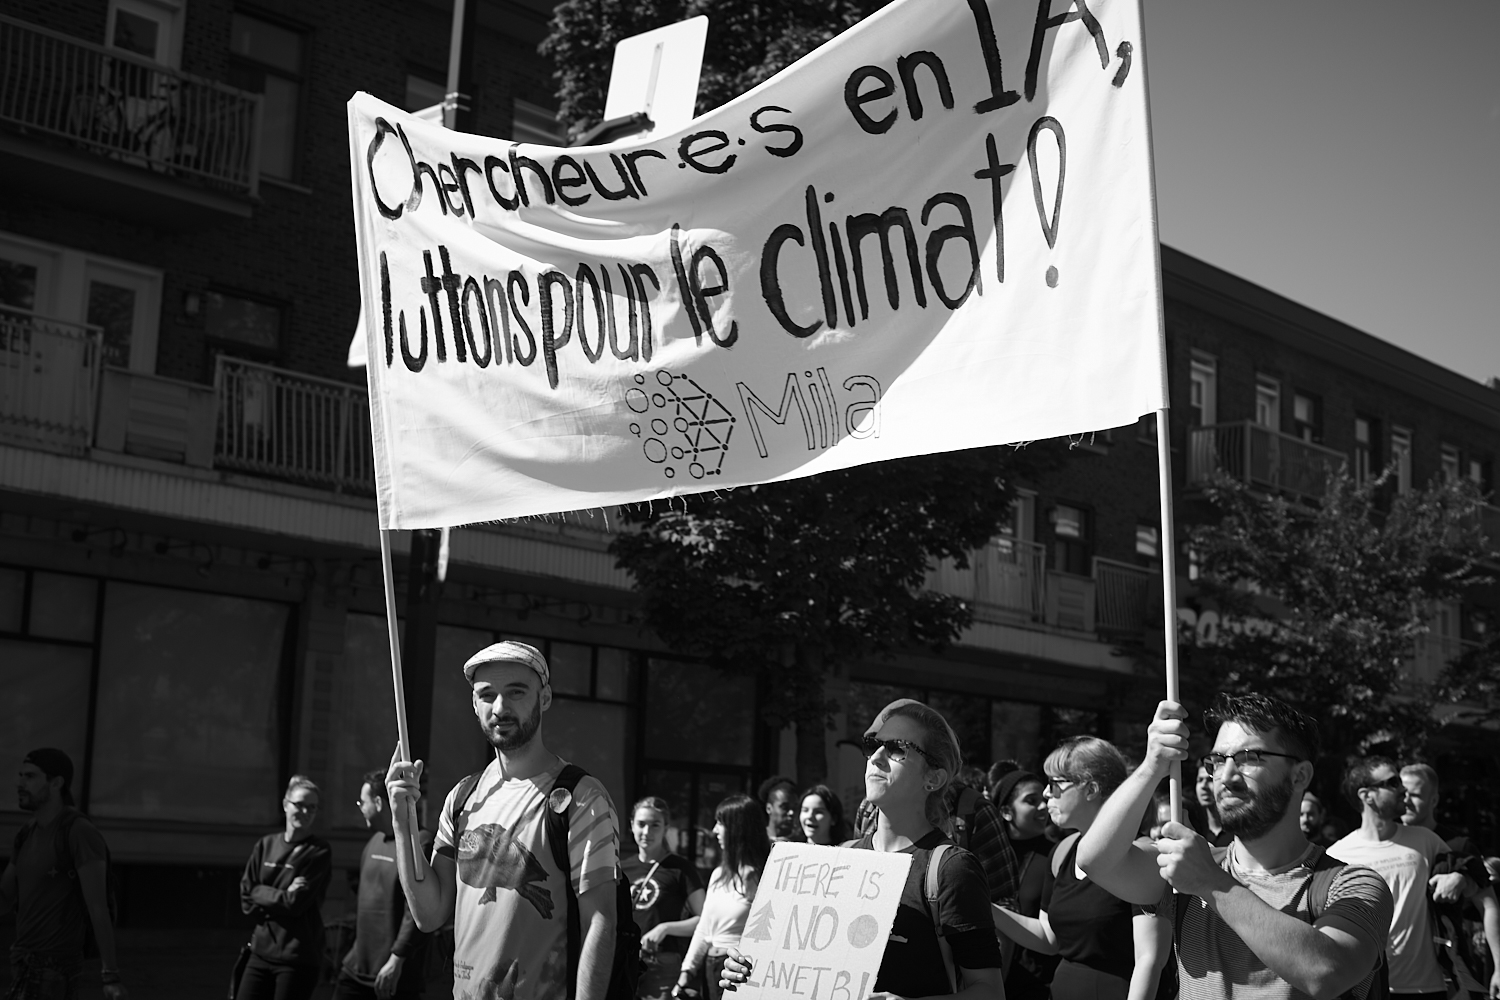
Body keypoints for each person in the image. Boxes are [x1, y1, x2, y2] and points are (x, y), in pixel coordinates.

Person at [1077, 694, 1394, 1000]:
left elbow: (1325, 973)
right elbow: (1096, 860)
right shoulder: (1189, 867)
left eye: (1249, 758)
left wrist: (1211, 883)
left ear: (1300, 776)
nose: (1226, 777)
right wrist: (1152, 766)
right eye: (1217, 760)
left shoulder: (1353, 884)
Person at [724, 698, 1005, 1000]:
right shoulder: (843, 856)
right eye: (873, 745)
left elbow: (990, 991)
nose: (877, 757)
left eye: (897, 747)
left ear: (933, 778)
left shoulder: (951, 868)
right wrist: (747, 967)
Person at [385, 640, 621, 1000]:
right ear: (474, 704)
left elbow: (601, 922)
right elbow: (430, 915)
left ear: (544, 698)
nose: (500, 707)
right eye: (487, 694)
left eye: (516, 692)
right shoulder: (462, 798)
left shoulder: (583, 797)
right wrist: (403, 823)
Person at [991, 737, 1169, 1000]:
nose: (1046, 793)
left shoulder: (1141, 856)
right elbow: (1048, 939)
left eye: (1055, 784)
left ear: (1091, 789)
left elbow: (1149, 959)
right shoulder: (1061, 852)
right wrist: (986, 908)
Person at [1329, 756, 1486, 1000]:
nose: (1402, 788)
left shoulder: (1426, 840)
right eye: (1392, 783)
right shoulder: (1338, 855)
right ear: (1367, 795)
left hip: (1428, 987)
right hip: (1368, 989)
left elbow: (1479, 882)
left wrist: (1461, 877)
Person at [0, 749, 126, 1000]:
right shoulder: (27, 832)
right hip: (23, 961)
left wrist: (110, 975)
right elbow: (4, 896)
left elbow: (98, 908)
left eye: (30, 777)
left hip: (54, 968)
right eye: (20, 776)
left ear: (56, 783)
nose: (20, 783)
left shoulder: (78, 832)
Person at [335, 769, 432, 1000]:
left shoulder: (420, 841)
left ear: (378, 802)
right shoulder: (373, 841)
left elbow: (418, 909)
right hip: (355, 968)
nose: (360, 807)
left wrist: (397, 958)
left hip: (393, 975)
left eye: (362, 801)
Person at [237, 775, 333, 1000]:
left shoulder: (318, 851)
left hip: (297, 958)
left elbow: (296, 904)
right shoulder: (266, 845)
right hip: (260, 951)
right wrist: (278, 893)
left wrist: (260, 892)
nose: (306, 812)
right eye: (300, 805)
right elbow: (246, 898)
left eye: (312, 808)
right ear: (285, 804)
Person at [675, 795, 768, 1000]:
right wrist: (686, 972)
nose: (714, 830)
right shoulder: (718, 874)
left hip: (739, 971)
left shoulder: (763, 877)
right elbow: (704, 929)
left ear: (739, 829)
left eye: (721, 823)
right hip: (710, 970)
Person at [990, 766, 1061, 1000]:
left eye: (1043, 799)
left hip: (1037, 985)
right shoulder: (987, 856)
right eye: (1031, 801)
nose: (1043, 807)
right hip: (990, 979)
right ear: (1007, 812)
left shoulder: (1057, 855)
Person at [624, 796, 704, 1000]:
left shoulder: (680, 868)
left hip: (662, 961)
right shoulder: (621, 868)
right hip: (624, 959)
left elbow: (705, 921)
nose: (646, 832)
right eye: (641, 824)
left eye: (655, 825)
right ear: (631, 825)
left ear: (666, 827)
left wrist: (665, 928)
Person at [1192, 758, 1233, 848]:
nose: (1203, 786)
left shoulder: (1237, 833)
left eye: (1210, 780)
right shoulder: (1195, 831)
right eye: (1200, 780)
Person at [755, 776, 796, 843]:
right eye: (785, 807)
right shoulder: (756, 839)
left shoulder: (803, 843)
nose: (791, 812)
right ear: (769, 808)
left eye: (795, 807)